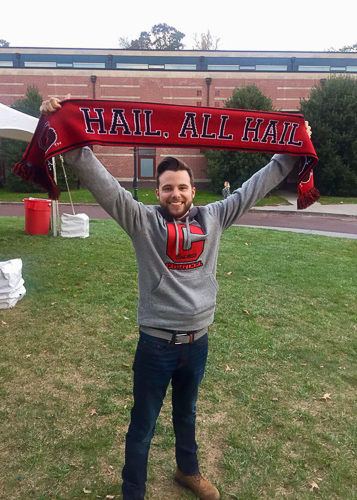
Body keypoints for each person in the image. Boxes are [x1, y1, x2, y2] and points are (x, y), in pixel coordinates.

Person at [40, 97, 311, 500]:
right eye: (168, 188)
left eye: (182, 187)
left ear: (192, 189)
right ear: (158, 191)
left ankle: (188, 472)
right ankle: (133, 491)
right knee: (143, 424)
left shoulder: (215, 216)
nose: (176, 194)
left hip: (197, 342)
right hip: (156, 345)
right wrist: (66, 131)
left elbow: (257, 185)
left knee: (187, 413)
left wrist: (294, 147)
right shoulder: (141, 221)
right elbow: (105, 185)